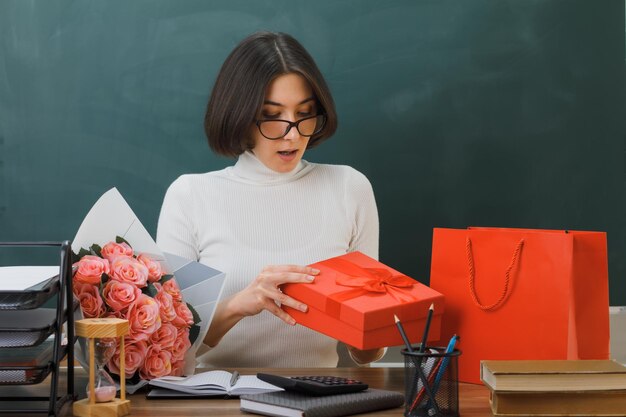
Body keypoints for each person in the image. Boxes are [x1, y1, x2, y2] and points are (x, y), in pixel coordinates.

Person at [157, 31, 384, 368]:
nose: (292, 134)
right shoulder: (190, 196)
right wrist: (239, 304)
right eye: (272, 116)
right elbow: (172, 347)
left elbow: (366, 354)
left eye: (304, 114)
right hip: (216, 398)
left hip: (318, 396)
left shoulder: (349, 187)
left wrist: (379, 323)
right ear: (241, 116)